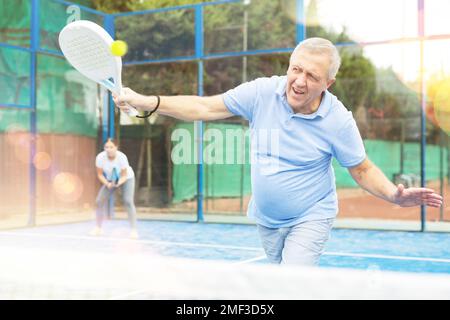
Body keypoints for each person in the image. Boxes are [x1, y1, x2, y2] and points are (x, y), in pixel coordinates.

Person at [113, 37, 442, 265]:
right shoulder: (261, 92)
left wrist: (392, 195)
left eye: (311, 75)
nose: (299, 81)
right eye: (295, 69)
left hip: (312, 215)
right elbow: (204, 106)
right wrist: (147, 102)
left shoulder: (339, 120)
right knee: (281, 281)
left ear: (328, 83)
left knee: (291, 283)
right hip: (267, 218)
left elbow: (362, 168)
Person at [92, 138, 138, 239]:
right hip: (109, 181)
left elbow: (124, 175)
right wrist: (107, 184)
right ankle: (98, 228)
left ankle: (133, 230)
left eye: (111, 147)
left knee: (128, 201)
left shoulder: (122, 157)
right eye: (106, 147)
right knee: (99, 201)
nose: (108, 149)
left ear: (116, 147)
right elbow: (99, 174)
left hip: (126, 179)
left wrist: (118, 183)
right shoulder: (100, 157)